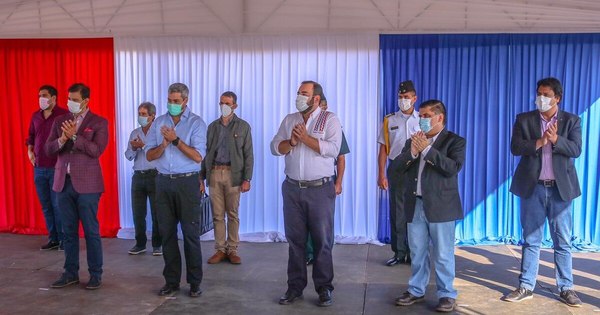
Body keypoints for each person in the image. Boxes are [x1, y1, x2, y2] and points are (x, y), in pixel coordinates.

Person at [503, 77, 583, 307]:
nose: (541, 98)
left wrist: (556, 139)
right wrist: (540, 141)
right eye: (539, 94)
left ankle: (566, 288)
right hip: (533, 188)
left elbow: (576, 150)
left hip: (561, 190)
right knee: (531, 240)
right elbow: (515, 147)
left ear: (557, 97)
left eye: (546, 95)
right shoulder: (524, 119)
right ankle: (526, 285)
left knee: (563, 241)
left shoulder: (571, 121)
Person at [271, 81, 342, 307]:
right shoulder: (290, 119)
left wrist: (305, 139)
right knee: (295, 241)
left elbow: (333, 149)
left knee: (322, 241)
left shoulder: (329, 119)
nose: (299, 97)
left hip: (320, 189)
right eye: (299, 93)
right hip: (292, 188)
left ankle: (324, 288)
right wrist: (290, 142)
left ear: (316, 99)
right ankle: (295, 287)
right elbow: (274, 147)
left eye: (305, 94)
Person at [392, 99, 466, 313]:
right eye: (421, 116)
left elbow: (452, 168)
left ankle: (446, 294)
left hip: (442, 206)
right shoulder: (413, 141)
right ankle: (416, 290)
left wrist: (427, 151)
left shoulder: (455, 141)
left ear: (439, 117)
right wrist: (413, 153)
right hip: (414, 204)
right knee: (417, 251)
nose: (421, 120)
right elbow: (396, 169)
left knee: (443, 254)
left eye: (425, 116)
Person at [45, 83, 109, 290]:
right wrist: (62, 139)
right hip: (63, 183)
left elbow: (96, 150)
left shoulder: (98, 122)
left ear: (86, 101)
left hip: (88, 186)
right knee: (68, 231)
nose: (70, 103)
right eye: (69, 99)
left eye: (74, 99)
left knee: (91, 231)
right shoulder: (59, 121)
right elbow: (48, 149)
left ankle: (95, 274)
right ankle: (70, 273)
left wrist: (74, 136)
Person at [146, 83, 207, 298]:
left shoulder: (197, 123)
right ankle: (171, 281)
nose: (172, 104)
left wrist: (176, 141)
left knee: (190, 234)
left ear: (185, 101)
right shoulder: (159, 122)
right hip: (162, 182)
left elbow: (198, 156)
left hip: (187, 183)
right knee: (167, 234)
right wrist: (163, 145)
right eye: (169, 100)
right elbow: (149, 156)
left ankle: (194, 282)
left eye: (176, 101)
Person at [200, 91, 254, 265]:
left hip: (234, 174)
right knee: (217, 215)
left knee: (232, 213)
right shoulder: (212, 127)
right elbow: (206, 153)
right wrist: (200, 178)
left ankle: (232, 249)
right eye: (221, 103)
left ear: (234, 106)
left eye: (228, 103)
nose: (224, 106)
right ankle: (220, 249)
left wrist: (247, 179)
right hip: (214, 172)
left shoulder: (243, 126)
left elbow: (248, 154)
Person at [377, 80, 420, 266]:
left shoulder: (422, 119)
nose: (403, 100)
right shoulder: (389, 120)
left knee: (415, 212)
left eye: (407, 97)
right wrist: (381, 174)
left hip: (417, 168)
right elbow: (384, 149)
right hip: (396, 168)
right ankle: (399, 252)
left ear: (414, 98)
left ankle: (414, 252)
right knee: (397, 211)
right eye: (400, 97)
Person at [305, 95, 349, 265]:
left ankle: (323, 255)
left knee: (323, 222)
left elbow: (341, 158)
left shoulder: (334, 127)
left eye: (323, 107)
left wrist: (338, 182)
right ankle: (309, 254)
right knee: (306, 222)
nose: (320, 110)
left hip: (326, 180)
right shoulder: (304, 127)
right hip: (306, 180)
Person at [26, 85, 68, 251]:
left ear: (53, 98)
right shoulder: (36, 116)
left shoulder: (63, 115)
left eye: (44, 95)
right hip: (38, 167)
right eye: (39, 95)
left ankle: (65, 239)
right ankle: (54, 238)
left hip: (56, 167)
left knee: (58, 204)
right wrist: (29, 151)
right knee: (46, 205)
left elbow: (69, 138)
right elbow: (30, 136)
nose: (41, 98)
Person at [125, 102, 162, 256]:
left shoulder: (159, 133)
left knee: (157, 212)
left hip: (155, 175)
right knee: (138, 213)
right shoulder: (134, 133)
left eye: (144, 114)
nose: (141, 117)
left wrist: (144, 145)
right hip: (138, 176)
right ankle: (140, 244)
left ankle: (157, 245)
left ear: (152, 116)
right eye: (139, 113)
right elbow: (128, 156)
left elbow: (162, 153)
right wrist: (133, 148)